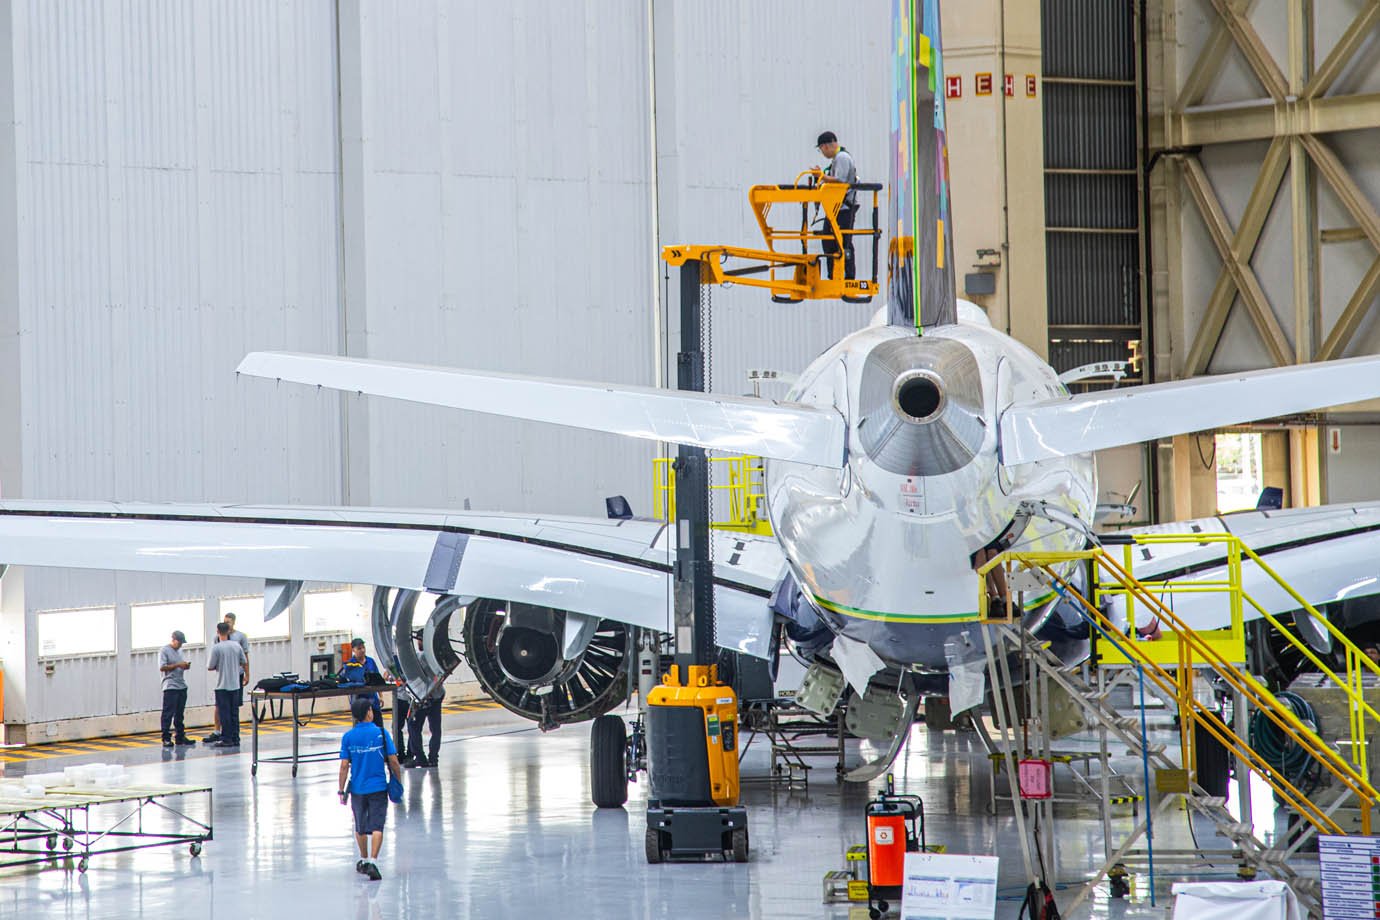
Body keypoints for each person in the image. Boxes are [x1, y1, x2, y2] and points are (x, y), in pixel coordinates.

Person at [338, 697, 402, 881]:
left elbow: (344, 766)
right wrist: (397, 780)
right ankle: (373, 861)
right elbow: (394, 761)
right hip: (378, 788)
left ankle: (363, 859)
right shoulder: (381, 733)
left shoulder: (348, 737)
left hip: (357, 789)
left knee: (360, 825)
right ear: (368, 712)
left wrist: (341, 790)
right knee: (377, 825)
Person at [816, 130, 858, 280]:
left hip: (844, 208)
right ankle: (834, 273)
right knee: (829, 240)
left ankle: (846, 276)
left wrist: (822, 177)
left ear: (826, 146)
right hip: (836, 208)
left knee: (842, 242)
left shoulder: (842, 158)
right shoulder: (837, 159)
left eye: (822, 150)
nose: (823, 153)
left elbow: (840, 180)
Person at [206, 612, 250, 744]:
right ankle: (235, 737)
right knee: (233, 711)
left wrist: (247, 674)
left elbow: (210, 666)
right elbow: (244, 660)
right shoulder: (236, 645)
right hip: (235, 683)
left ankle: (226, 738)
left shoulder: (218, 647)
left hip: (223, 684)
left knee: (224, 711)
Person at [158, 630, 196, 748]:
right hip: (170, 686)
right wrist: (178, 665)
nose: (180, 645)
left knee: (180, 713)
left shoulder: (179, 651)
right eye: (179, 643)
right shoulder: (164, 650)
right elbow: (162, 667)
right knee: (168, 713)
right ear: (173, 640)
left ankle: (180, 736)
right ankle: (166, 737)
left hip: (181, 685)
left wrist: (184, 666)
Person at [341, 638, 384, 727]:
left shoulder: (371, 661)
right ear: (353, 650)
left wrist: (381, 696)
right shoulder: (350, 665)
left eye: (363, 647)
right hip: (359, 705)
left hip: (374, 703)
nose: (362, 650)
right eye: (359, 648)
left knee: (379, 729)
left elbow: (378, 679)